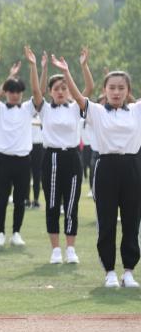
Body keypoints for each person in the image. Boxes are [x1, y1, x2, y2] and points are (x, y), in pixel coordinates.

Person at [51, 56, 139, 288]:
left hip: (132, 167)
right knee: (107, 221)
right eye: (112, 88)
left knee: (131, 221)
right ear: (105, 90)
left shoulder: (136, 111)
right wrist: (70, 71)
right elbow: (79, 97)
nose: (116, 92)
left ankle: (129, 271)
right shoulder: (97, 111)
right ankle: (109, 270)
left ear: (128, 91)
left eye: (121, 88)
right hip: (106, 167)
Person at [28, 47, 93, 265]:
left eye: (64, 88)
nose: (61, 92)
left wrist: (80, 67)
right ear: (51, 92)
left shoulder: (75, 107)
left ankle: (71, 249)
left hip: (72, 157)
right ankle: (56, 249)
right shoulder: (45, 108)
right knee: (53, 204)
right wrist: (35, 66)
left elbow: (90, 88)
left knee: (71, 205)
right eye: (56, 89)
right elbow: (36, 90)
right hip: (52, 158)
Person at [0, 52, 38, 247]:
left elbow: (37, 90)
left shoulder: (27, 108)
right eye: (11, 91)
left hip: (24, 160)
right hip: (4, 160)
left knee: (19, 200)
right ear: (7, 92)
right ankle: (0, 233)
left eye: (17, 92)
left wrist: (33, 66)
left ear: (21, 93)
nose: (14, 95)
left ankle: (16, 232)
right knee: (1, 199)